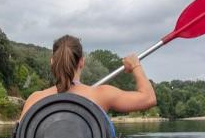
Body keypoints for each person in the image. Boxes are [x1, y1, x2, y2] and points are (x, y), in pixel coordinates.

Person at [20, 34, 157, 118]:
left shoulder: (35, 99)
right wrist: (135, 65)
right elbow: (149, 99)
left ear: (52, 62)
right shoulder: (101, 95)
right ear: (82, 62)